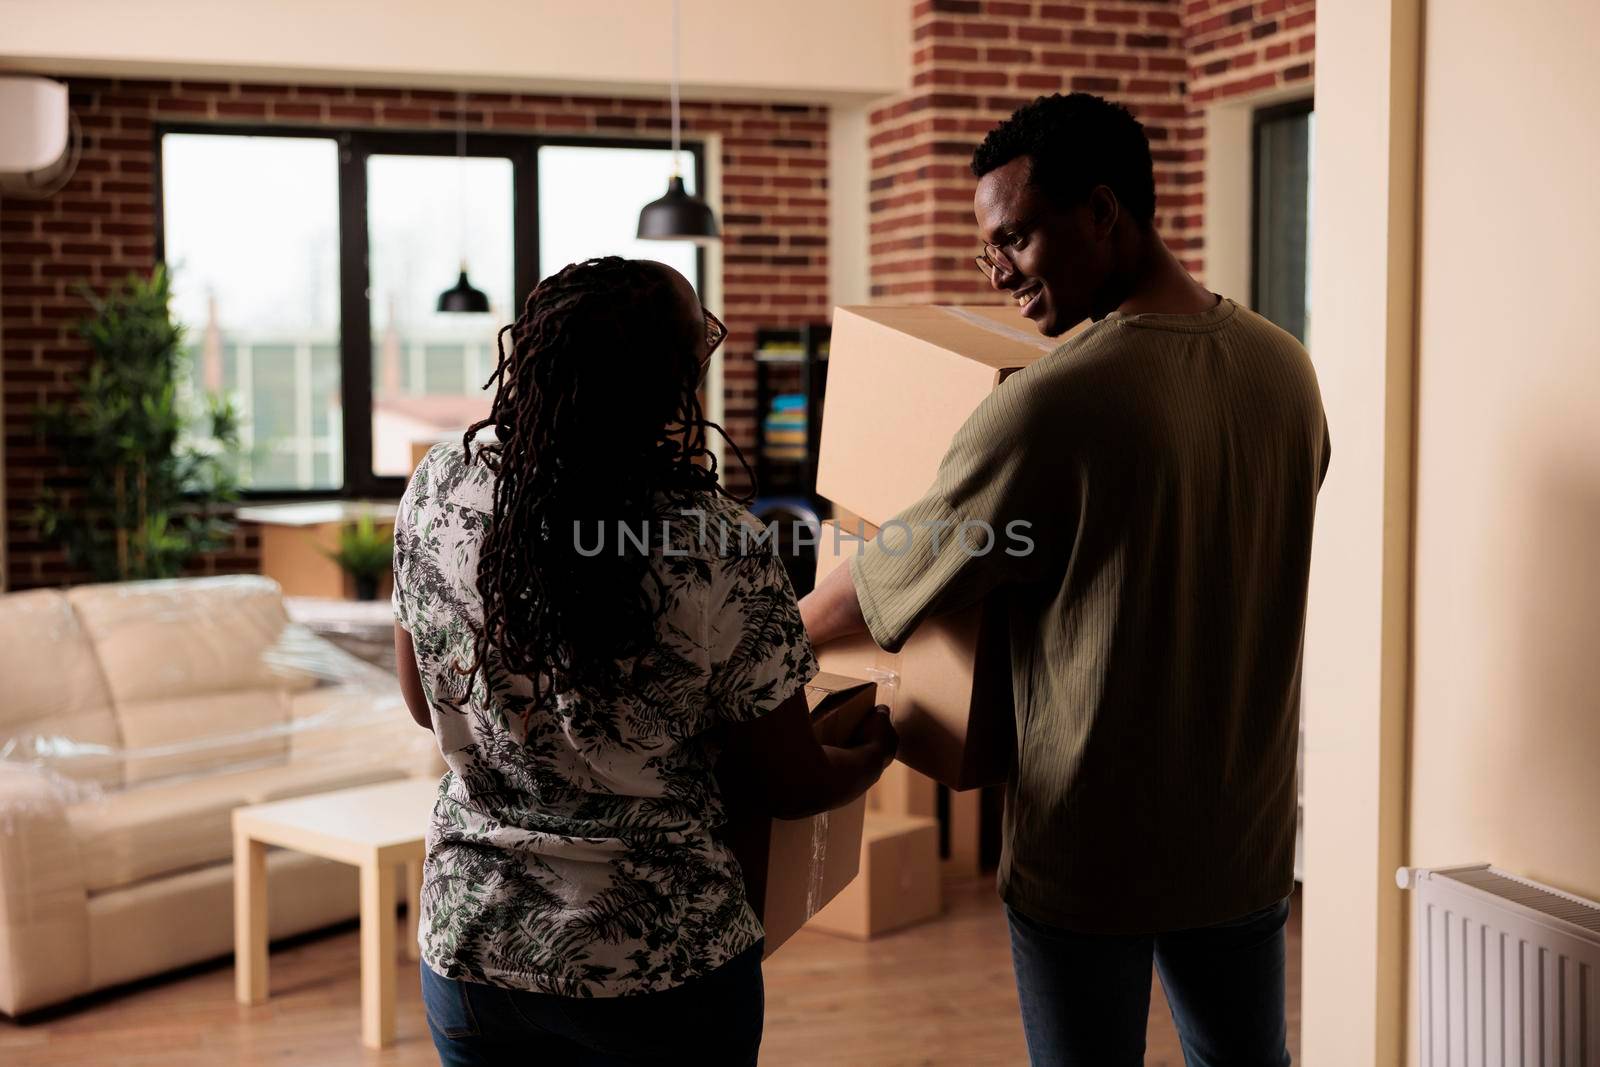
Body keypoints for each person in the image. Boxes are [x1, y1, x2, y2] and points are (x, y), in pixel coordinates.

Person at [801, 93, 1330, 1066]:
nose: (997, 271)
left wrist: (771, 635)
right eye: (985, 248)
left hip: (1095, 852)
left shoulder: (1056, 402)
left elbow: (892, 578)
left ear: (1100, 209)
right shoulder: (1284, 369)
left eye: (1014, 238)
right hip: (1243, 834)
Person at [392, 257, 896, 1067]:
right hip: (661, 961)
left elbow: (424, 703)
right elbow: (788, 781)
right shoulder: (714, 537)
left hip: (476, 945)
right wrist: (870, 755)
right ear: (669, 381)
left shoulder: (439, 487)